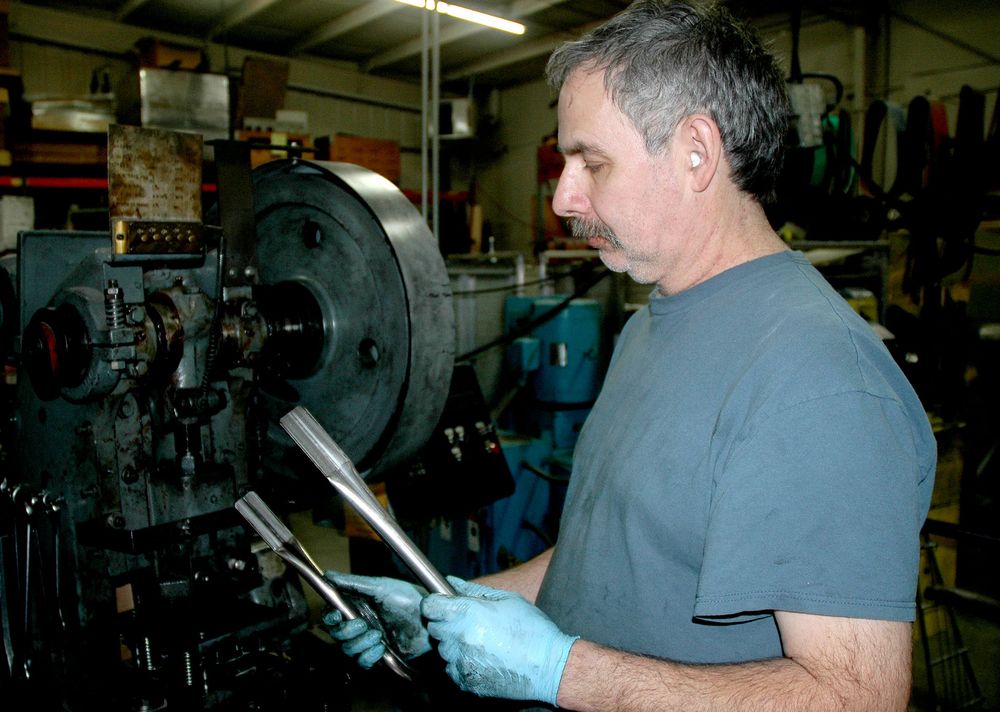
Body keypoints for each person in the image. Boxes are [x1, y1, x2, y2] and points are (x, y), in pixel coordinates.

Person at [324, 1, 937, 709]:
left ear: (696, 153)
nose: (562, 196)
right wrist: (446, 603)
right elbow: (616, 554)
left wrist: (563, 672)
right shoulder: (651, 325)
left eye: (591, 161)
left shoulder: (820, 383)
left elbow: (856, 700)